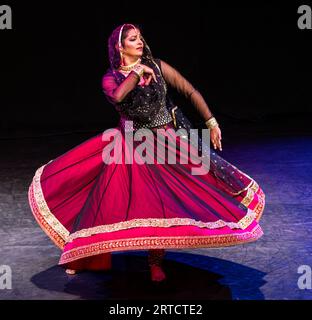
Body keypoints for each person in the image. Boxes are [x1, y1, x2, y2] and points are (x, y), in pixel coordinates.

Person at [28, 23, 265, 283]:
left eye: (140, 38)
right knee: (109, 202)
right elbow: (118, 97)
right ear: (120, 47)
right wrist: (137, 72)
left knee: (168, 199)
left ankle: (155, 262)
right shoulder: (112, 77)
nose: (139, 42)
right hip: (131, 146)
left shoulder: (159, 67)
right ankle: (84, 253)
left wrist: (211, 122)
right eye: (132, 39)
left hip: (167, 141)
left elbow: (189, 90)